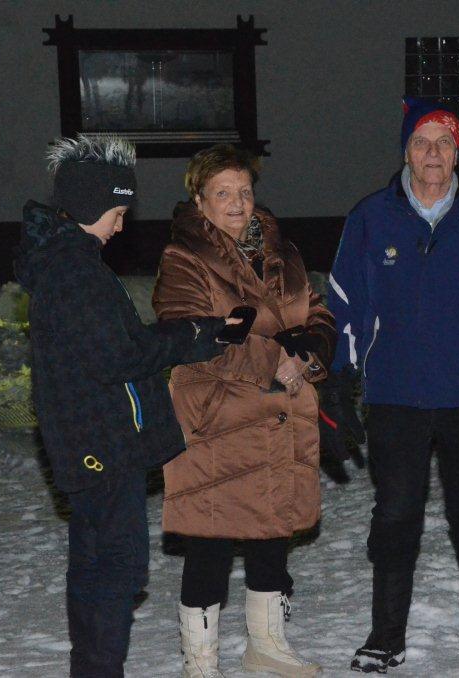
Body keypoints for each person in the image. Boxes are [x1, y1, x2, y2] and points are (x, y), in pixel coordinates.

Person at [322, 97, 459, 673]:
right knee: (395, 514)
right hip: (394, 396)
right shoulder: (370, 218)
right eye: (421, 142)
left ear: (457, 155)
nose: (432, 154)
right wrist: (336, 384)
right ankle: (385, 636)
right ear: (405, 151)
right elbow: (345, 308)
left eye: (443, 143)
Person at [14, 135, 236, 677]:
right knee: (115, 568)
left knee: (98, 564)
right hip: (100, 444)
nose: (120, 226)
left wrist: (194, 334)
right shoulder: (75, 271)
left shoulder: (69, 262)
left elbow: (115, 347)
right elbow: (120, 355)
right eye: (117, 214)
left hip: (92, 441)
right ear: (93, 206)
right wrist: (192, 335)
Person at [152, 144, 334, 678]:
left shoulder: (282, 252)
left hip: (280, 414)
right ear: (200, 201)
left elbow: (317, 312)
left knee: (272, 533)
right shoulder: (183, 258)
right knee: (210, 542)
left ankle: (266, 646)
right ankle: (201, 662)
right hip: (219, 417)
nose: (237, 203)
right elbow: (191, 333)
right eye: (223, 193)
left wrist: (308, 354)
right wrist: (277, 355)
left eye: (245, 191)